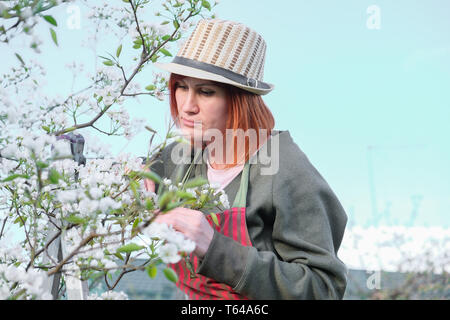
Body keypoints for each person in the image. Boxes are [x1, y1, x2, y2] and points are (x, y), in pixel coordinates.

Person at [144, 19, 348, 300]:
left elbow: (323, 288)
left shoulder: (283, 168)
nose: (187, 106)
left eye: (206, 91)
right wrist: (132, 180)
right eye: (181, 87)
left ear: (239, 100)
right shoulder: (180, 158)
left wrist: (216, 248)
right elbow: (124, 183)